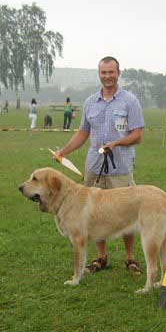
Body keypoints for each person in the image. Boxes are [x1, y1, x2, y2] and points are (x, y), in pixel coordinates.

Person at [54, 56, 145, 275]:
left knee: (127, 213)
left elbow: (138, 135)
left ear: (118, 73)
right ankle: (101, 257)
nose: (107, 76)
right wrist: (64, 151)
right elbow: (83, 133)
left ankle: (130, 258)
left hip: (120, 167)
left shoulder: (129, 101)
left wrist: (117, 143)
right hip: (94, 166)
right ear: (99, 74)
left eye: (111, 72)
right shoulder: (89, 102)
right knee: (94, 214)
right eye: (103, 73)